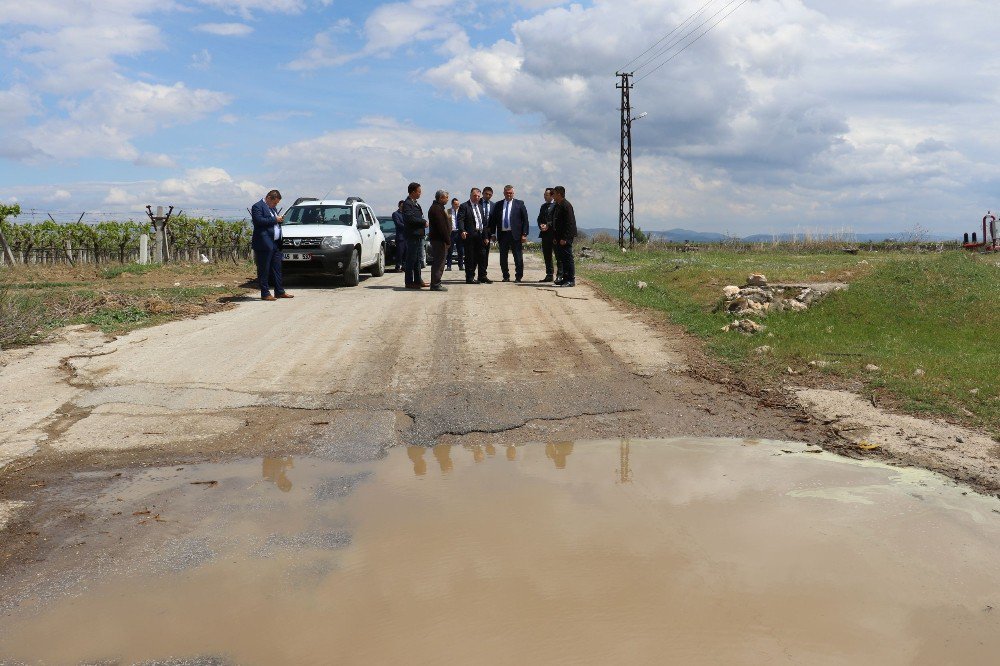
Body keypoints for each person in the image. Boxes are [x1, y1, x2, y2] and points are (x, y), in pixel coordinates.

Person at [250, 189, 293, 301]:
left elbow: (273, 222)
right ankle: (265, 293)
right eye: (275, 202)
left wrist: (279, 220)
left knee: (277, 268)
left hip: (275, 243)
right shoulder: (257, 206)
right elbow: (258, 221)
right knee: (264, 269)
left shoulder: (272, 208)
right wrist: (275, 219)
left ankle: (279, 291)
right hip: (264, 243)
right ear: (269, 198)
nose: (275, 205)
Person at [488, 184, 530, 282]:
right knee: (503, 257)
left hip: (515, 234)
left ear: (513, 193)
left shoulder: (520, 204)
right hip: (503, 235)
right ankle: (505, 276)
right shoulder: (498, 205)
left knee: (518, 257)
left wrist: (524, 234)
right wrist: (493, 234)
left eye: (510, 193)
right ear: (504, 193)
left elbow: (525, 220)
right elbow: (493, 221)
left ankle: (518, 276)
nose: (509, 195)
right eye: (507, 193)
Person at [457, 187, 492, 284]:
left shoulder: (480, 206)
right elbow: (460, 220)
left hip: (480, 235)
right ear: (470, 195)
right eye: (475, 196)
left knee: (482, 256)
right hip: (470, 236)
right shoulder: (464, 206)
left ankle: (482, 276)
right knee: (470, 257)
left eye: (478, 196)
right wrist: (462, 230)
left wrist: (485, 236)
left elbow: (484, 223)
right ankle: (470, 277)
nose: (477, 198)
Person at [402, 182, 429, 289]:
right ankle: (409, 282)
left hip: (418, 235)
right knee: (411, 260)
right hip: (412, 235)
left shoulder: (415, 203)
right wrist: (423, 222)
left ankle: (418, 280)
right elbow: (410, 218)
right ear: (413, 192)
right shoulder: (408, 203)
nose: (420, 194)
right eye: (419, 192)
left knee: (418, 260)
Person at [552, 185, 577, 287]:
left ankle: (571, 280)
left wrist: (565, 238)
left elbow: (569, 223)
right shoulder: (558, 205)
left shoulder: (566, 205)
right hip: (558, 237)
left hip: (565, 238)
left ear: (559, 194)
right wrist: (555, 237)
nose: (552, 196)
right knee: (562, 258)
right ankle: (565, 278)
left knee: (568, 258)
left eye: (554, 193)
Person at [427, 189, 451, 292]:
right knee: (439, 262)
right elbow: (442, 228)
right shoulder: (436, 209)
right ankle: (435, 284)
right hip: (439, 240)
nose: (447, 199)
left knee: (440, 262)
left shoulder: (439, 208)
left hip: (439, 240)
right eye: (446, 197)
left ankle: (436, 283)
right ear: (441, 198)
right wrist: (448, 240)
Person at [537, 187, 559, 282]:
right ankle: (549, 274)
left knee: (558, 256)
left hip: (554, 234)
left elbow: (556, 220)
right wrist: (541, 225)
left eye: (546, 194)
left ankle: (560, 275)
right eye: (544, 194)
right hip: (545, 234)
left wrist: (548, 225)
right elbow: (539, 218)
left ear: (552, 196)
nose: (544, 196)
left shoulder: (556, 205)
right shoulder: (543, 206)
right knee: (547, 255)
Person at [446, 197, 464, 271]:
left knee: (460, 250)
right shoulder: (447, 211)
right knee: (450, 250)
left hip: (459, 233)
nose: (457, 206)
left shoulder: (461, 211)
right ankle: (449, 266)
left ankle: (461, 265)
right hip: (451, 233)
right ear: (452, 204)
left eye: (458, 204)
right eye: (456, 204)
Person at [391, 200, 407, 272]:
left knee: (406, 253)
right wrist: (408, 227)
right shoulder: (395, 214)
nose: (403, 207)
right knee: (400, 253)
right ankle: (397, 267)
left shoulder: (406, 214)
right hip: (400, 237)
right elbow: (398, 224)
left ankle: (404, 266)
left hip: (407, 237)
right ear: (399, 206)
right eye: (402, 206)